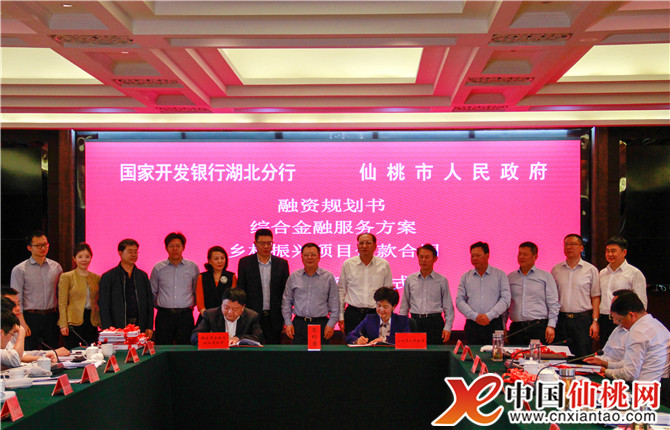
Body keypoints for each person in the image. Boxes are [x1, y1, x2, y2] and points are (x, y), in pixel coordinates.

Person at [585, 292, 669, 381]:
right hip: (662, 383)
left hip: (645, 386)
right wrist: (606, 364)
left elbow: (629, 374)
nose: (619, 324)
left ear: (631, 315)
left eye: (620, 320)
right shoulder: (657, 324)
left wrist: (605, 371)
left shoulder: (638, 332)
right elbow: (630, 364)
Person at [10, 230, 63, 350]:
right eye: (38, 245)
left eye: (45, 244)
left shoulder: (56, 267)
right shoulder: (20, 270)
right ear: (29, 248)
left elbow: (61, 295)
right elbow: (16, 299)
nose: (43, 248)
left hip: (51, 316)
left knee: (52, 352)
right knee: (30, 352)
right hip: (30, 317)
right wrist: (22, 323)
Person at [237, 229, 290, 344]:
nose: (266, 246)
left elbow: (286, 293)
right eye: (262, 243)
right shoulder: (245, 263)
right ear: (255, 244)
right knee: (252, 348)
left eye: (269, 243)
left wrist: (286, 318)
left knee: (273, 349)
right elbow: (241, 290)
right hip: (252, 316)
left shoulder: (281, 264)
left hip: (274, 317)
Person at [551, 234, 600, 358]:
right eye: (566, 244)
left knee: (583, 356)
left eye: (573, 244)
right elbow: (552, 297)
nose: (569, 247)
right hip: (561, 320)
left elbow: (595, 297)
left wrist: (595, 321)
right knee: (561, 357)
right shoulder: (556, 269)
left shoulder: (591, 270)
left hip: (582, 320)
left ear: (581, 248)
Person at [282, 243, 339, 345]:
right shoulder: (294, 277)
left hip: (321, 324)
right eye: (306, 255)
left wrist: (331, 324)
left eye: (313, 255)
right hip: (299, 324)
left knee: (320, 355)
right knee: (298, 354)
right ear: (301, 257)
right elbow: (286, 302)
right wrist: (288, 322)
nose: (309, 258)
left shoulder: (328, 277)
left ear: (319, 257)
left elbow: (335, 304)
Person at [456, 242, 510, 345]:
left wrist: (489, 316)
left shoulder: (500, 275)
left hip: (494, 323)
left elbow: (505, 299)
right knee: (473, 354)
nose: (474, 258)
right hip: (472, 324)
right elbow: (459, 300)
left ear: (487, 255)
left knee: (496, 353)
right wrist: (475, 316)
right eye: (472, 256)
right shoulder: (466, 277)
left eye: (478, 255)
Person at [98, 239, 154, 339]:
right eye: (129, 251)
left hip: (139, 325)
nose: (133, 254)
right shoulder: (108, 277)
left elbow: (149, 303)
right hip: (116, 326)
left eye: (135, 251)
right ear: (120, 253)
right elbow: (104, 306)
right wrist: (107, 329)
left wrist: (149, 326)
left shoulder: (142, 276)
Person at [399, 244, 454, 344]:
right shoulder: (410, 279)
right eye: (421, 257)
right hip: (415, 322)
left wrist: (448, 328)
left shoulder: (442, 280)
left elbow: (448, 306)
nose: (423, 260)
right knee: (415, 353)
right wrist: (402, 325)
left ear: (435, 259)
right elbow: (404, 305)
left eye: (427, 257)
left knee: (435, 353)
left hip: (435, 322)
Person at [507, 242, 560, 346]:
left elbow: (553, 303)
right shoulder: (511, 277)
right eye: (519, 254)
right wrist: (504, 326)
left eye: (525, 254)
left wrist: (551, 325)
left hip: (537, 326)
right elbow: (506, 303)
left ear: (535, 257)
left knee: (538, 355)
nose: (521, 257)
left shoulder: (545, 276)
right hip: (517, 328)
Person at [151, 232, 199, 345]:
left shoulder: (192, 267)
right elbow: (153, 292)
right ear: (166, 248)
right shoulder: (158, 268)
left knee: (185, 348)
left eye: (178, 246)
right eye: (171, 246)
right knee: (162, 347)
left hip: (185, 315)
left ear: (183, 247)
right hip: (164, 316)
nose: (175, 249)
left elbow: (196, 291)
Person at [339, 233, 393, 334]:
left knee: (377, 343)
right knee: (353, 342)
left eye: (368, 243)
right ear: (357, 246)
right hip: (353, 314)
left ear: (375, 246)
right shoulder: (348, 264)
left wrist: (387, 315)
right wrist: (341, 315)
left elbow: (388, 293)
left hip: (376, 314)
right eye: (361, 243)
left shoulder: (384, 265)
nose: (364, 246)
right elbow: (341, 291)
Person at [598, 235, 647, 345]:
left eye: (613, 251)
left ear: (624, 252)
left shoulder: (634, 273)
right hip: (605, 321)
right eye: (607, 251)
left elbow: (641, 304)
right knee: (605, 351)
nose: (610, 254)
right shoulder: (602, 273)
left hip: (624, 322)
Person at [58, 243, 101, 348]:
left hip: (91, 320)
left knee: (92, 351)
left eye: (87, 257)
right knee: (74, 351)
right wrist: (63, 324)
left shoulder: (96, 278)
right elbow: (62, 302)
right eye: (80, 257)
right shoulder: (67, 277)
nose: (84, 260)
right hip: (73, 322)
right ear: (74, 258)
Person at [191, 288, 264, 346]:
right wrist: (220, 339)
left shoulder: (251, 316)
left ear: (243, 307)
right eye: (226, 307)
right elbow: (194, 337)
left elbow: (259, 338)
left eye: (235, 309)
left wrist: (238, 338)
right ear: (222, 304)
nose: (230, 312)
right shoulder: (211, 315)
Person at [1, 297, 57, 368]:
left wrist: (43, 357)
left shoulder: (10, 328)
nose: (18, 309)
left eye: (18, 304)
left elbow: (21, 355)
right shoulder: (9, 329)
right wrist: (21, 331)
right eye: (14, 306)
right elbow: (15, 359)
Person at [346, 287, 410, 345]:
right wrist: (357, 341)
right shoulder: (369, 319)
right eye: (379, 306)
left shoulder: (402, 321)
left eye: (385, 307)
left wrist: (385, 339)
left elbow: (407, 339)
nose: (381, 310)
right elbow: (350, 336)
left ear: (393, 307)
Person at [195, 246, 237, 323]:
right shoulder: (202, 276)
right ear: (210, 261)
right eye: (216, 259)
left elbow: (233, 299)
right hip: (206, 317)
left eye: (222, 258)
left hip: (226, 317)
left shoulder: (231, 276)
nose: (220, 261)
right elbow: (200, 301)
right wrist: (207, 316)